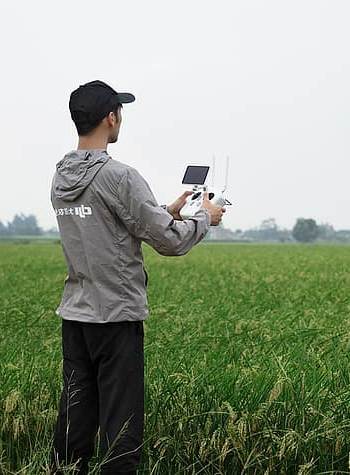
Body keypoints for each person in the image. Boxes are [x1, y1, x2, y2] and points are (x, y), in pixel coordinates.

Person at [50, 80, 225, 474]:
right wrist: (204, 218)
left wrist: (166, 209)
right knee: (121, 423)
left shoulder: (61, 176)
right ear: (111, 118)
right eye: (120, 112)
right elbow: (168, 242)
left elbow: (107, 222)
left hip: (76, 315)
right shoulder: (120, 176)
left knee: (75, 416)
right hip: (116, 316)